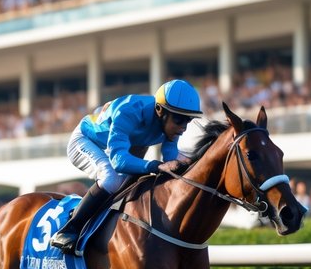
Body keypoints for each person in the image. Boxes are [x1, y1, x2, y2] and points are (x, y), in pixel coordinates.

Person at [49, 79, 202, 253]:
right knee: (111, 179)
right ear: (160, 110)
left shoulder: (170, 123)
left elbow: (171, 161)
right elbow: (119, 161)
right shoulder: (129, 111)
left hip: (123, 144)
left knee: (135, 182)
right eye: (179, 120)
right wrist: (156, 166)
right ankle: (69, 229)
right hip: (85, 141)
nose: (183, 127)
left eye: (188, 120)